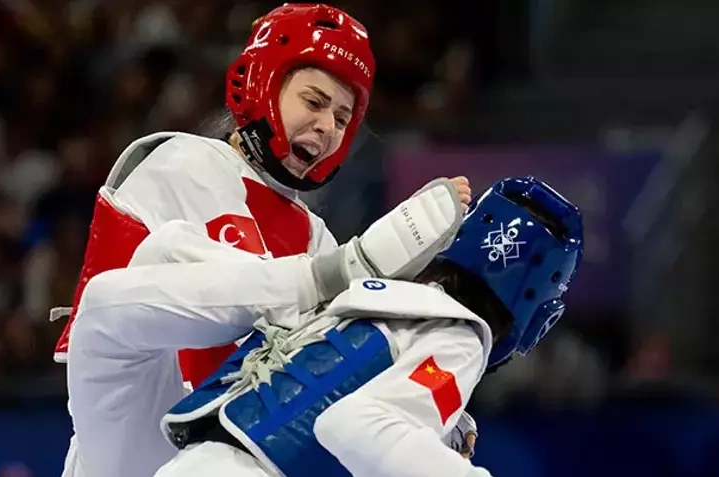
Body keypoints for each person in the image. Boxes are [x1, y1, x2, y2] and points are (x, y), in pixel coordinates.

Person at [55, 4, 472, 476]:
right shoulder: (176, 160)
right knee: (147, 266)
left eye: (342, 118)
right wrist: (333, 280)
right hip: (135, 438)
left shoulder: (318, 239)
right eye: (313, 102)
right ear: (262, 85)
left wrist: (432, 408)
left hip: (235, 452)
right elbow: (153, 311)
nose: (327, 126)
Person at [69, 177, 584, 477]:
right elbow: (356, 426)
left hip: (179, 464)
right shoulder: (461, 336)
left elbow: (165, 250)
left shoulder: (354, 299)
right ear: (536, 313)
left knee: (116, 296)